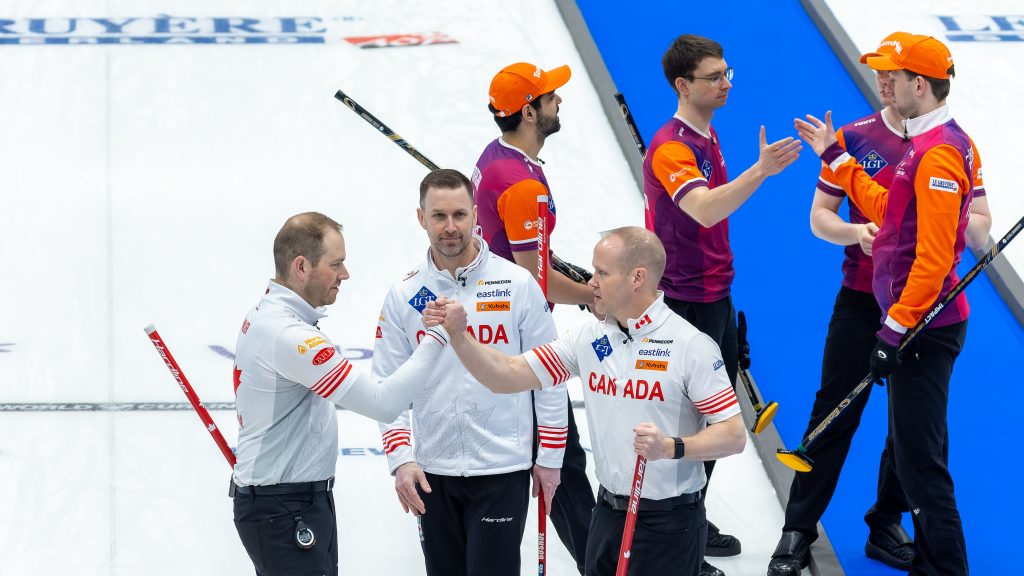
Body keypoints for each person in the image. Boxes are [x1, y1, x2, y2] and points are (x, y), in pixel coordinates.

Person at [769, 32, 991, 575]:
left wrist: (893, 330)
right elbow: (888, 206)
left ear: (918, 83)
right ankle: (799, 528)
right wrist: (837, 161)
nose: (882, 80)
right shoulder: (909, 141)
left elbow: (934, 259)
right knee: (884, 431)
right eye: (878, 71)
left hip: (917, 317)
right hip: (880, 302)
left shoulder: (938, 149)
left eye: (893, 72)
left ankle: (935, 560)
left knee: (918, 455)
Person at [425, 226, 747, 576]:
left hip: (668, 524)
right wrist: (458, 336)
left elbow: (733, 434)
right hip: (607, 516)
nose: (591, 282)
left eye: (602, 273)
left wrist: (670, 447)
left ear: (637, 278)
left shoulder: (690, 346)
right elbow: (506, 375)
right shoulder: (589, 338)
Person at [642, 33, 801, 575]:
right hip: (683, 301)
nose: (725, 83)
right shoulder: (671, 145)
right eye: (714, 77)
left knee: (713, 419)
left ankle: (689, 521)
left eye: (727, 73)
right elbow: (704, 211)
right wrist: (760, 171)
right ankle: (672, 543)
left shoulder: (707, 136)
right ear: (683, 85)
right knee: (684, 424)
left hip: (714, 294)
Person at [230, 212, 450, 576]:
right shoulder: (291, 337)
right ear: (302, 266)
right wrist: (439, 336)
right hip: (285, 506)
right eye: (336, 264)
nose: (344, 275)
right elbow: (383, 402)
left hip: (288, 500)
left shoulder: (270, 313)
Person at [372, 169, 568, 576]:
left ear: (476, 215)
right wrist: (400, 458)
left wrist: (550, 457)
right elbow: (386, 389)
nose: (450, 227)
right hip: (432, 472)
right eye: (439, 216)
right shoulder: (404, 294)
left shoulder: (517, 283)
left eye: (460, 215)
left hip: (502, 469)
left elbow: (550, 374)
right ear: (421, 217)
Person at [472, 61, 596, 573]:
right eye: (550, 97)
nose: (559, 101)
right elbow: (537, 278)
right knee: (561, 458)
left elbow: (528, 252)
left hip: (503, 323)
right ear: (528, 111)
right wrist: (593, 297)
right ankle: (604, 561)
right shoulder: (522, 182)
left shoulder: (502, 158)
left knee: (560, 458)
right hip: (520, 339)